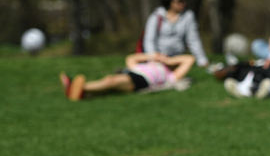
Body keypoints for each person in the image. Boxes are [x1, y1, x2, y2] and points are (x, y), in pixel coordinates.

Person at [60, 53, 195, 101]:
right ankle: (82, 93)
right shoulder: (148, 63)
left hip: (142, 80)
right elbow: (131, 58)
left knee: (110, 81)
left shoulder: (170, 74)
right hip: (132, 74)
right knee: (108, 85)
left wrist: (169, 61)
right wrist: (152, 56)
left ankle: (76, 87)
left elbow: (189, 59)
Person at [142, 0, 208, 67]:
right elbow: (149, 40)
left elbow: (193, 39)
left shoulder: (188, 16)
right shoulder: (156, 16)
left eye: (184, 0)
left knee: (189, 60)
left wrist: (202, 60)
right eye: (180, 0)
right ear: (170, 1)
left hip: (177, 59)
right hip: (158, 57)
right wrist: (153, 58)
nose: (183, 3)